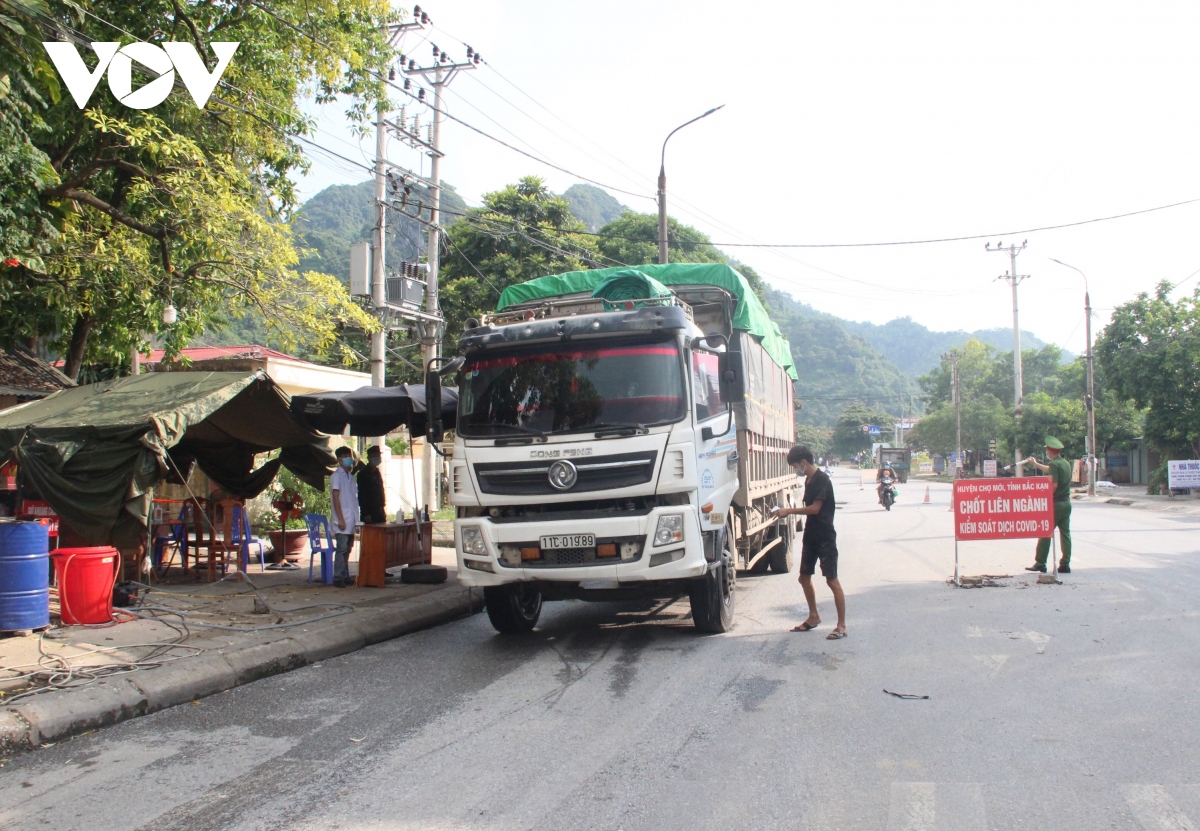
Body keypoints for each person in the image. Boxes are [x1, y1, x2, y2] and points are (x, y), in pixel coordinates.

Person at [775, 444, 847, 639]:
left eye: (795, 466)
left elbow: (815, 508)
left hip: (825, 537)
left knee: (832, 580)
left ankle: (841, 625)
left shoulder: (822, 480)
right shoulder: (808, 480)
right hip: (811, 535)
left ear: (803, 462)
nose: (795, 470)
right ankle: (813, 616)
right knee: (804, 577)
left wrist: (788, 511)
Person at [1024, 436, 1073, 574]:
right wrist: (1036, 464)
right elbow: (1049, 469)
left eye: (1047, 450)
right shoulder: (1065, 463)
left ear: (1050, 451)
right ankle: (1065, 564)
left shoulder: (1055, 465)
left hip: (1056, 504)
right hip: (1066, 503)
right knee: (1065, 534)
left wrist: (1044, 499)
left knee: (1045, 532)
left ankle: (1040, 563)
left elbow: (1054, 485)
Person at [329, 445, 359, 587]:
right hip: (341, 519)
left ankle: (345, 575)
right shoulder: (336, 476)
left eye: (350, 456)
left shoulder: (351, 477)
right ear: (340, 459)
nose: (349, 459)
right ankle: (337, 577)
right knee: (341, 549)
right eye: (346, 456)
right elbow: (336, 498)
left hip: (351, 517)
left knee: (348, 548)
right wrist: (340, 518)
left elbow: (353, 499)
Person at [358, 445, 387, 525]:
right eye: (374, 456)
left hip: (379, 510)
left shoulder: (377, 472)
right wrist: (366, 513)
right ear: (369, 458)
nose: (377, 458)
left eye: (378, 456)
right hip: (370, 512)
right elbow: (363, 495)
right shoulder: (363, 473)